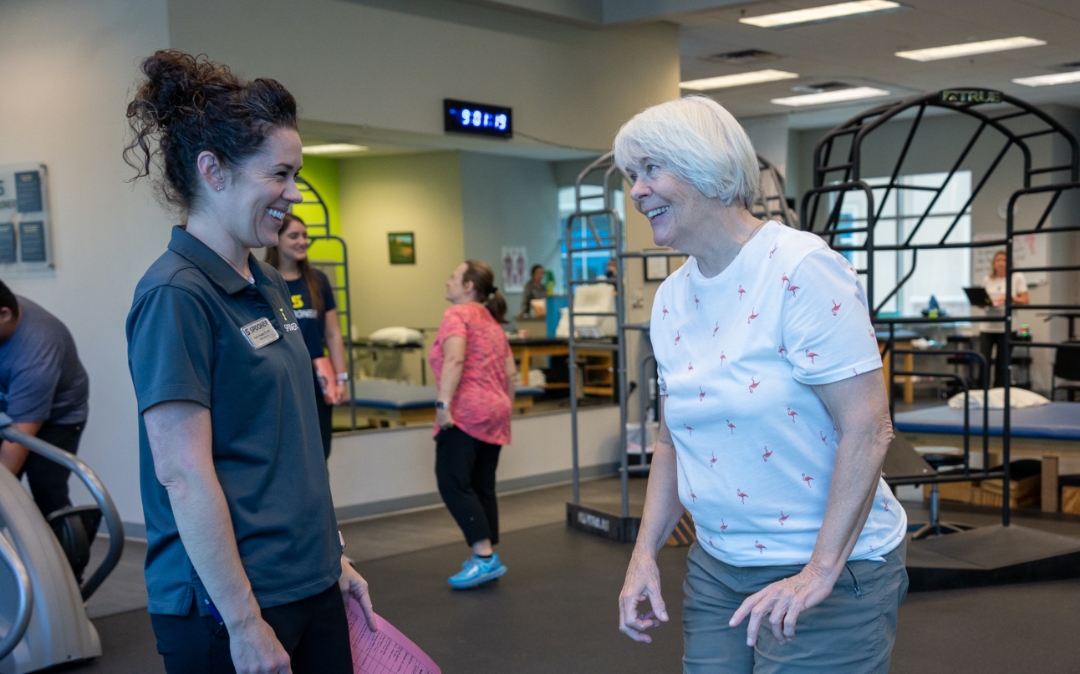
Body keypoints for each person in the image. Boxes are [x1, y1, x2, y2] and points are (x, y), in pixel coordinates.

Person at [613, 96, 907, 674]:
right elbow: (674, 440)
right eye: (631, 175)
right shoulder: (672, 297)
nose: (637, 191)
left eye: (651, 169)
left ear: (706, 167)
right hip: (720, 565)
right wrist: (643, 554)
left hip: (828, 564)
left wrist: (820, 571)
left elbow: (869, 428)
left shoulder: (800, 269)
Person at [123, 50, 374, 674]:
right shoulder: (176, 295)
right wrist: (241, 620)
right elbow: (182, 472)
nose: (293, 196)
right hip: (232, 605)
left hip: (306, 580)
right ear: (213, 170)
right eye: (279, 175)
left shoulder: (264, 280)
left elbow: (284, 441)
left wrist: (328, 558)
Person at [430, 260, 516, 589]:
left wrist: (443, 405)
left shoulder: (457, 315)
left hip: (466, 413)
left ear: (468, 286)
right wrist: (504, 408)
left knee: (452, 481)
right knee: (481, 484)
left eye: (452, 277)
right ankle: (487, 553)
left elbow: (454, 359)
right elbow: (509, 373)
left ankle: (483, 557)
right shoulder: (492, 320)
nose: (447, 281)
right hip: (495, 411)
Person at [0, 280, 90, 518]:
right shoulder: (5, 313)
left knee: (46, 487)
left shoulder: (36, 351)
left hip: (59, 417)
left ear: (4, 314)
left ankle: (66, 553)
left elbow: (20, 435)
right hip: (11, 406)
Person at [265, 213, 348, 459]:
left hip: (318, 379)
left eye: (305, 235)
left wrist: (341, 379)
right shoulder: (264, 281)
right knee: (288, 454)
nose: (302, 241)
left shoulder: (318, 281)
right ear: (276, 240)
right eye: (294, 236)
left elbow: (332, 333)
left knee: (320, 453)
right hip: (282, 380)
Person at [978, 249, 1029, 388]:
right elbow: (983, 303)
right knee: (984, 361)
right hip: (987, 326)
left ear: (1010, 263)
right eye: (998, 260)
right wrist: (982, 302)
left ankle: (1000, 393)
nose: (1000, 263)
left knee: (1003, 364)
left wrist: (1009, 298)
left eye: (1004, 260)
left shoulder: (1017, 277)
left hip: (1006, 327)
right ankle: (982, 393)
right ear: (993, 263)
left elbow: (1025, 300)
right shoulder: (987, 279)